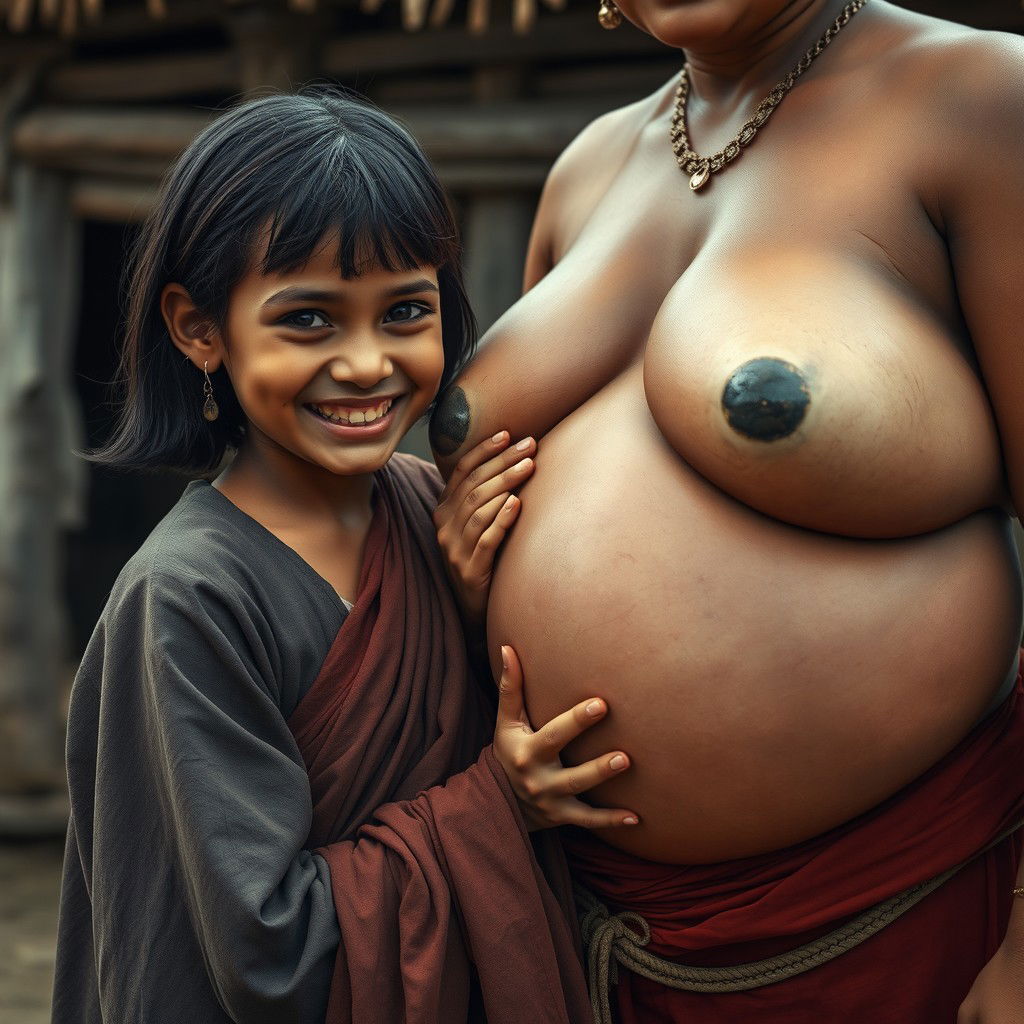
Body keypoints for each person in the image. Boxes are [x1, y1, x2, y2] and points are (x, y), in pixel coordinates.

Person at [430, 1, 1024, 1021]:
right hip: (594, 937)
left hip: (899, 919)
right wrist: (470, 576)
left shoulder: (980, 98)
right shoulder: (587, 166)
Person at [50, 89, 644, 1024]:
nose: (368, 363)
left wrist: (464, 604)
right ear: (198, 329)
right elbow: (265, 948)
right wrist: (498, 808)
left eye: (405, 311)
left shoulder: (426, 510)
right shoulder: (188, 599)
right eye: (310, 321)